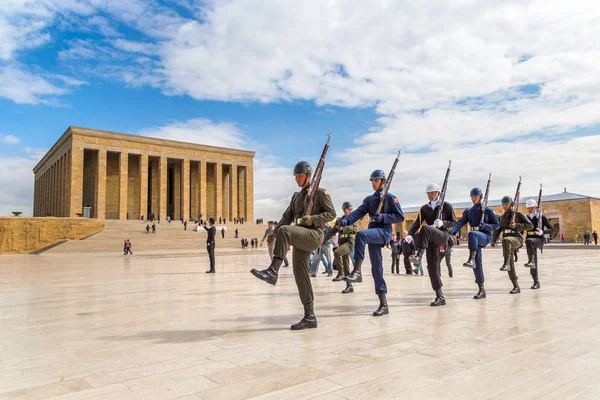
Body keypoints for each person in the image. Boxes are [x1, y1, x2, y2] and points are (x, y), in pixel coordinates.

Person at [250, 161, 336, 330]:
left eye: (300, 176)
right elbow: (286, 217)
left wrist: (313, 219)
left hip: (314, 234)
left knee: (286, 231)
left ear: (309, 176)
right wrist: (274, 232)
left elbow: (331, 213)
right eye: (295, 176)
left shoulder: (319, 193)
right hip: (300, 236)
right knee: (300, 274)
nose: (297, 179)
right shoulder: (296, 197)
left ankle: (273, 271)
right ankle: (310, 317)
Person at [337, 169, 404, 316]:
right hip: (373, 233)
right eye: (372, 180)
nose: (373, 183)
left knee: (360, 235)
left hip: (384, 232)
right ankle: (383, 304)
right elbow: (358, 212)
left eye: (376, 180)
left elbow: (400, 217)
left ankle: (357, 271)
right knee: (376, 268)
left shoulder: (390, 198)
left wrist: (383, 217)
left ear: (383, 182)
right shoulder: (370, 199)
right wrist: (346, 220)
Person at [407, 183, 457, 306]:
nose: (429, 195)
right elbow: (417, 222)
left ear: (438, 193)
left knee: (425, 229)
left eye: (431, 193)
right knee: (432, 267)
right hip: (430, 240)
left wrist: (443, 223)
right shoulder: (424, 208)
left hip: (442, 235)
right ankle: (440, 296)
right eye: (428, 193)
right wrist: (409, 234)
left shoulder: (446, 206)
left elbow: (454, 221)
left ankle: (419, 255)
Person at [449, 187, 500, 300]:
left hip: (485, 236)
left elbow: (497, 225)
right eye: (471, 197)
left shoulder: (488, 211)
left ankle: (470, 258)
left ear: (480, 197)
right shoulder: (469, 211)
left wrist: (486, 226)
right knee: (477, 262)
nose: (473, 199)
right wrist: (453, 230)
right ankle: (481, 289)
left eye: (475, 197)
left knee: (472, 234)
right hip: (475, 239)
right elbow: (461, 222)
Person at [493, 196, 533, 294]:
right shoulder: (501, 217)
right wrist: (493, 240)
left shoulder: (518, 215)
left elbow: (530, 225)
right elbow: (497, 230)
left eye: (506, 204)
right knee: (510, 263)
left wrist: (517, 226)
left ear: (511, 204)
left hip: (517, 239)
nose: (504, 206)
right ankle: (516, 286)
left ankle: (506, 263)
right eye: (503, 204)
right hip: (507, 243)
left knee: (506, 240)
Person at [326, 202, 358, 291]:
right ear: (344, 210)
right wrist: (324, 239)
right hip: (343, 242)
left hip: (350, 242)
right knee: (346, 265)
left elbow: (353, 228)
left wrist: (343, 228)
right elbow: (333, 231)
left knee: (337, 252)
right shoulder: (339, 220)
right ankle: (349, 286)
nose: (350, 211)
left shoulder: (353, 218)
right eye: (348, 209)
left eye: (351, 209)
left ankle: (340, 273)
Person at [523, 199, 553, 289]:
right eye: (528, 208)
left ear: (536, 207)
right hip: (529, 240)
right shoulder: (526, 218)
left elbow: (551, 228)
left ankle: (531, 261)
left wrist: (543, 232)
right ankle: (536, 281)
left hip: (539, 239)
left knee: (529, 244)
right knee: (532, 259)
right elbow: (521, 231)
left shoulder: (541, 217)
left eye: (531, 207)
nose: (530, 209)